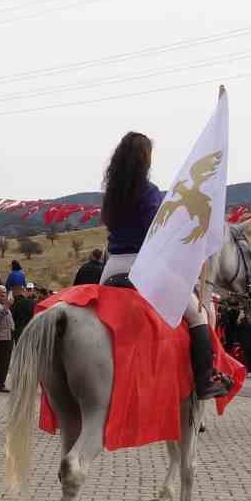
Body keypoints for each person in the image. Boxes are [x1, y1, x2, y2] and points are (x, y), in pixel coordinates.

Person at [98, 131, 229, 399]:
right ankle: (204, 382)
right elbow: (159, 232)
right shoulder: (148, 193)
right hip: (142, 268)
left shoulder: (111, 194)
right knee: (198, 315)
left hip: (111, 268)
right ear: (145, 160)